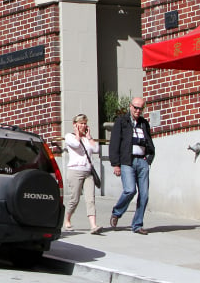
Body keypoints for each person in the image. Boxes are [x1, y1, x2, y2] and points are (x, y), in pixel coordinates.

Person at [108, 96, 155, 234]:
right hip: (127, 161)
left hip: (142, 162)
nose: (138, 111)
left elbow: (150, 142)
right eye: (136, 107)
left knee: (144, 195)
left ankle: (137, 225)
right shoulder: (122, 121)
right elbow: (114, 143)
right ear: (130, 106)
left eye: (141, 108)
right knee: (130, 190)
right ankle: (117, 212)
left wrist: (149, 158)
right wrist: (115, 164)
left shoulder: (144, 123)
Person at [64, 114, 101, 234]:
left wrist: (89, 136)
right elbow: (75, 145)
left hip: (88, 171)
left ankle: (93, 225)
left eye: (85, 123)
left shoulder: (86, 139)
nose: (83, 125)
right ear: (75, 124)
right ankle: (67, 219)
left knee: (90, 199)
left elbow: (96, 150)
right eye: (81, 123)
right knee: (75, 199)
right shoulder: (69, 136)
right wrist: (77, 134)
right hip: (75, 171)